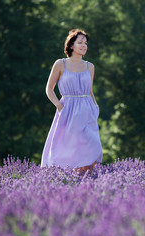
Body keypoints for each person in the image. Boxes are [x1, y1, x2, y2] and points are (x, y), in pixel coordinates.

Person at [40, 29, 102, 175]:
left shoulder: (90, 66)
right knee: (68, 148)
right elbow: (49, 88)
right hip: (68, 111)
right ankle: (69, 183)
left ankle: (87, 181)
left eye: (85, 43)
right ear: (71, 45)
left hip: (87, 111)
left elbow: (89, 91)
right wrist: (59, 107)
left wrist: (95, 107)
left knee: (93, 146)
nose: (84, 45)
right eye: (80, 42)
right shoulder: (60, 64)